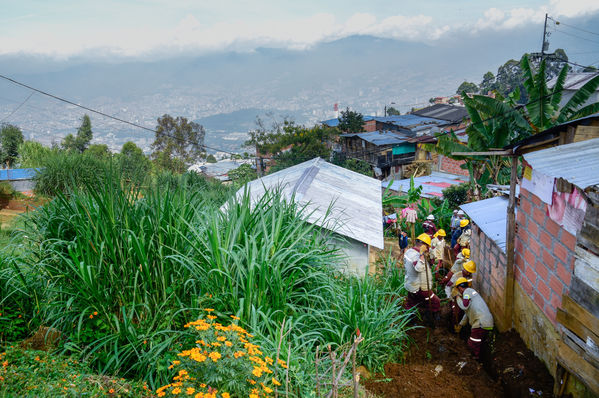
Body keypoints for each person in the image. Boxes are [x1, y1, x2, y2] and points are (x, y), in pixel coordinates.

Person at [403, 233, 441, 323]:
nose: (428, 249)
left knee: (411, 303)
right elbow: (419, 268)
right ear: (423, 246)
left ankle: (409, 321)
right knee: (435, 302)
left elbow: (430, 262)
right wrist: (421, 254)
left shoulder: (409, 251)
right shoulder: (417, 255)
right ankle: (431, 320)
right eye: (427, 246)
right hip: (420, 288)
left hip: (411, 285)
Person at [454, 277, 494, 360]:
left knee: (472, 344)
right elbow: (467, 313)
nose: (459, 292)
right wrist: (460, 325)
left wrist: (458, 299)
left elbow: (464, 306)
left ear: (460, 288)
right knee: (479, 343)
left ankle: (474, 360)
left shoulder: (467, 291)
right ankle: (480, 359)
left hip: (480, 323)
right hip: (486, 322)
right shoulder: (472, 295)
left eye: (458, 290)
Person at [444, 261, 476, 328]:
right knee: (456, 312)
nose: (469, 273)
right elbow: (448, 286)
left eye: (470, 272)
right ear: (464, 268)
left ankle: (461, 326)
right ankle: (453, 326)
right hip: (456, 295)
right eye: (467, 271)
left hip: (464, 296)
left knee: (464, 312)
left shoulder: (469, 277)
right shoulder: (456, 276)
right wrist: (449, 296)